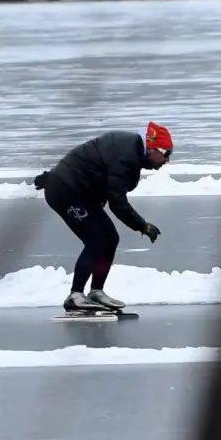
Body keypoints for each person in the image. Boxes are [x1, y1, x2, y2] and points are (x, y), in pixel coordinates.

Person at [34, 122, 172, 312]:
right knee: (97, 240)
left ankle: (96, 292)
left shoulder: (132, 149)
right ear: (152, 147)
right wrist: (142, 225)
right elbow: (117, 201)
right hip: (66, 191)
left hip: (77, 190)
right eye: (166, 154)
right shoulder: (127, 155)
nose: (166, 161)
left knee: (110, 238)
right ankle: (75, 295)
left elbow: (96, 171)